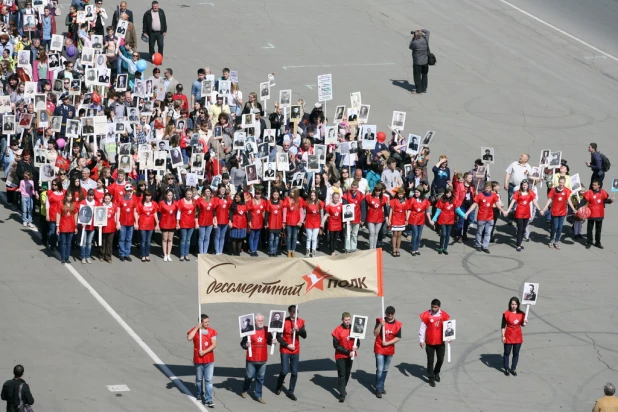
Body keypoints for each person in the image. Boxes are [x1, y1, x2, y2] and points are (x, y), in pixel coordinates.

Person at [465, 181, 507, 253]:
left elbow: (497, 204)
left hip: (490, 218)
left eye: (488, 188)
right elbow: (474, 205)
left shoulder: (494, 196)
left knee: (488, 233)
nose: (487, 189)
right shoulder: (480, 195)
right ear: (484, 188)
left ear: (491, 188)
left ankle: (485, 246)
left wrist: (503, 211)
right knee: (479, 232)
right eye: (486, 188)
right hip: (481, 217)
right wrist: (467, 213)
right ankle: (478, 245)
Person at [187, 314, 217, 408]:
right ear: (201, 322)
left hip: (209, 360)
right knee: (199, 379)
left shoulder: (212, 331)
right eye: (205, 322)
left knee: (208, 380)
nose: (207, 323)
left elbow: (214, 345)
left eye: (208, 321)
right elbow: (189, 338)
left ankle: (208, 399)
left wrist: (204, 352)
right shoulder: (195, 330)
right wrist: (197, 327)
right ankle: (199, 392)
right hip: (198, 360)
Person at [240, 314, 272, 404]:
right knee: (249, 376)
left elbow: (269, 341)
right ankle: (245, 389)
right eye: (259, 320)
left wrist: (272, 341)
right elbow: (242, 343)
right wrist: (245, 345)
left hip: (263, 359)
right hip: (252, 359)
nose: (261, 322)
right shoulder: (248, 331)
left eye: (262, 320)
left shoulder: (267, 330)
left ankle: (259, 395)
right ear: (255, 321)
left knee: (260, 378)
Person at [419, 299, 450, 387]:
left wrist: (449, 337)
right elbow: (422, 328)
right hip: (430, 342)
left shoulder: (444, 315)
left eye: (435, 307)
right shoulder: (426, 315)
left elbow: (448, 327)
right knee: (430, 361)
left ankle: (436, 372)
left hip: (440, 341)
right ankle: (431, 378)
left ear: (439, 307)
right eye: (432, 307)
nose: (433, 308)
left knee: (440, 359)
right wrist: (421, 340)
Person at [372, 306, 401, 399]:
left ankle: (381, 385)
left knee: (385, 369)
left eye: (391, 313)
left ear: (394, 313)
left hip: (389, 349)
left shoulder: (397, 324)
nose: (390, 315)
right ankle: (379, 389)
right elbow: (375, 333)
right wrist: (380, 325)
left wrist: (388, 343)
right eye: (388, 313)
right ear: (385, 313)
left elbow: (398, 337)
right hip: (379, 348)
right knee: (380, 369)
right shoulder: (380, 321)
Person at [540, 176, 576, 249]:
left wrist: (574, 209)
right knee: (555, 227)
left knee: (560, 228)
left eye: (563, 182)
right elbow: (549, 200)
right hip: (555, 212)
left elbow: (569, 201)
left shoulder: (567, 190)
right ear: (558, 182)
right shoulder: (553, 190)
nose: (561, 184)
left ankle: (556, 242)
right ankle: (551, 240)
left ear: (565, 183)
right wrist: (543, 209)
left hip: (562, 212)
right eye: (560, 182)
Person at [506, 180, 541, 252]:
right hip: (519, 213)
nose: (525, 186)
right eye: (523, 185)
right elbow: (512, 202)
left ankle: (520, 243)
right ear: (521, 185)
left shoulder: (530, 192)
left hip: (527, 213)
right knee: (520, 229)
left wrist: (540, 210)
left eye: (526, 185)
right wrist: (508, 210)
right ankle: (518, 245)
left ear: (528, 186)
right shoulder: (517, 193)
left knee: (523, 229)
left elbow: (534, 202)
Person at [332, 312, 359, 403]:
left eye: (348, 320)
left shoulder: (354, 329)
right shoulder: (338, 330)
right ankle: (342, 394)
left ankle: (343, 387)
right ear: (342, 320)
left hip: (350, 355)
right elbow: (336, 345)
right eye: (345, 320)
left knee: (347, 373)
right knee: (342, 374)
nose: (347, 322)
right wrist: (348, 352)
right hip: (341, 355)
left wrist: (356, 347)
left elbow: (357, 341)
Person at [581, 179, 614, 249]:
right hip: (591, 214)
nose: (593, 186)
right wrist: (578, 207)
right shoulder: (589, 192)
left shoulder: (602, 192)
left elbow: (605, 200)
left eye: (595, 185)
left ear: (599, 186)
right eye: (593, 185)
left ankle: (597, 242)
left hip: (599, 214)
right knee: (589, 229)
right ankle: (589, 242)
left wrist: (610, 200)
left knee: (598, 229)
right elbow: (583, 201)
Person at [504, 153, 532, 224]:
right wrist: (506, 182)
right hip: (512, 185)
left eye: (522, 156)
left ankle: (517, 217)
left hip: (521, 188)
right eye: (521, 156)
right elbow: (508, 173)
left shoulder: (528, 167)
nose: (520, 157)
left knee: (519, 203)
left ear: (526, 159)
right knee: (511, 201)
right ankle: (510, 218)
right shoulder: (514, 164)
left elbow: (531, 178)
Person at [501, 297, 526, 376]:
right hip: (508, 335)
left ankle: (513, 368)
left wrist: (525, 322)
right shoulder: (506, 314)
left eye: (515, 304)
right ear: (510, 304)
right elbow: (503, 326)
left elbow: (522, 324)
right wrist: (503, 336)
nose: (514, 306)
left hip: (518, 336)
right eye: (512, 304)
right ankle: (506, 368)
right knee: (507, 353)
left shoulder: (521, 314)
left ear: (518, 305)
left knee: (516, 353)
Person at [135, 190, 159, 262]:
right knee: (143, 241)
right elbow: (137, 214)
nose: (149, 197)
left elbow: (155, 214)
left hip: (150, 224)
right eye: (147, 196)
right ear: (144, 196)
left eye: (150, 196)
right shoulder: (140, 204)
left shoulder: (154, 204)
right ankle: (143, 255)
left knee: (148, 241)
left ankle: (147, 254)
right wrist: (136, 223)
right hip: (142, 224)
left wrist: (157, 223)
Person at [115, 184, 137, 262]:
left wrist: (136, 222)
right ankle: (122, 254)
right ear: (125, 191)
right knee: (122, 239)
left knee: (129, 239)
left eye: (130, 191)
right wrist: (117, 222)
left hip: (130, 223)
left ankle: (127, 254)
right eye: (128, 191)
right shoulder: (120, 199)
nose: (129, 192)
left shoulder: (134, 200)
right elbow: (118, 211)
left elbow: (135, 212)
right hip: (122, 223)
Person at [56, 192, 78, 264]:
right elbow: (58, 214)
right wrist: (57, 226)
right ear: (65, 196)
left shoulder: (74, 204)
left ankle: (67, 257)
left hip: (71, 226)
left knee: (69, 243)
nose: (70, 197)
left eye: (71, 196)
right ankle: (63, 257)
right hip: (63, 226)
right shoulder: (61, 204)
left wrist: (75, 226)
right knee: (63, 243)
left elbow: (75, 215)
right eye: (68, 196)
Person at [432, 189, 455, 255]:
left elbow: (457, 209)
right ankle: (441, 247)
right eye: (447, 193)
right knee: (443, 234)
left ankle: (445, 248)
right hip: (443, 220)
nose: (448, 195)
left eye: (449, 193)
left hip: (450, 220)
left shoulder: (453, 200)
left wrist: (464, 215)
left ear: (451, 193)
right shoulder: (441, 200)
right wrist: (434, 219)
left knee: (448, 235)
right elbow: (438, 210)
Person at [177, 188, 197, 261]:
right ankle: (182, 254)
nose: (189, 196)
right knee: (183, 239)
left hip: (191, 223)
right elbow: (178, 213)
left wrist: (196, 222)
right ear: (185, 194)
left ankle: (186, 254)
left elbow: (196, 213)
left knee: (188, 240)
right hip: (183, 223)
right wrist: (177, 223)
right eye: (188, 194)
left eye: (190, 194)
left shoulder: (194, 202)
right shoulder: (181, 201)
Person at [408, 29, 430, 94]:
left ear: (416, 36)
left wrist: (413, 39)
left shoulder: (415, 42)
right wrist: (421, 30)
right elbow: (428, 32)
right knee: (424, 75)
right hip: (425, 62)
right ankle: (424, 89)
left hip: (417, 62)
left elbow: (410, 47)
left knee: (417, 76)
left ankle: (419, 90)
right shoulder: (426, 39)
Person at [158, 189, 178, 261]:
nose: (170, 197)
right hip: (164, 223)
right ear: (166, 195)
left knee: (170, 239)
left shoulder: (176, 203)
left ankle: (169, 254)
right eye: (169, 195)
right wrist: (157, 223)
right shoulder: (161, 203)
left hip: (172, 223)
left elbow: (177, 214)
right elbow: (159, 214)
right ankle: (165, 254)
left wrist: (177, 223)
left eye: (171, 195)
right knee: (164, 239)